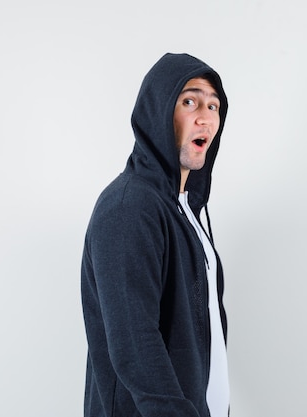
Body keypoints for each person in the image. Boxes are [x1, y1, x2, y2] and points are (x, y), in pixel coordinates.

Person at [81, 53, 230, 417]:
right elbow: (135, 347)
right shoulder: (128, 208)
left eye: (214, 105)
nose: (205, 116)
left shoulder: (185, 211)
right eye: (189, 101)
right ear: (158, 112)